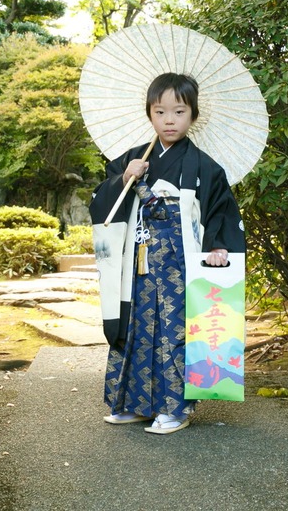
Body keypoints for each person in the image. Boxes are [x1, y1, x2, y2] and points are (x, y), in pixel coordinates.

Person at [89, 72, 245, 435]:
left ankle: (175, 409)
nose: (169, 120)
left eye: (179, 111)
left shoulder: (205, 167)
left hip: (181, 264)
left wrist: (218, 247)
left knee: (175, 332)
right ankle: (133, 403)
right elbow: (102, 206)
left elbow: (221, 210)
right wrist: (123, 180)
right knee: (136, 328)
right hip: (138, 261)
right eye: (160, 112)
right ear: (149, 114)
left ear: (193, 116)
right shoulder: (131, 159)